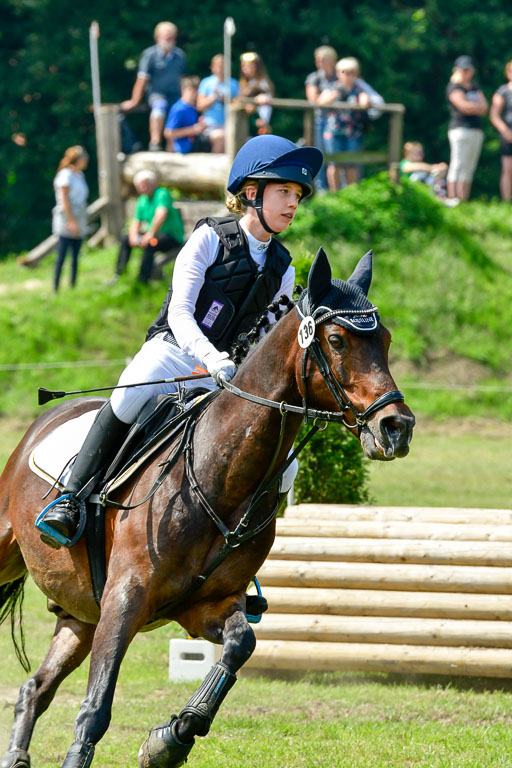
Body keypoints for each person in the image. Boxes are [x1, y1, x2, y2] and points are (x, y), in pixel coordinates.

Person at [39, 134, 323, 549]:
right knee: (127, 396)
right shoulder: (209, 237)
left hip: (225, 375)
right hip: (172, 353)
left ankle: (240, 545)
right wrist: (211, 356)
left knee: (288, 468)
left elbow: (265, 337)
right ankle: (71, 499)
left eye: (297, 195)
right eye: (284, 191)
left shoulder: (283, 268)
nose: (293, 203)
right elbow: (180, 312)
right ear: (251, 193)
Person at [120, 21, 187, 151]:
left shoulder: (180, 55)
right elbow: (142, 79)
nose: (170, 40)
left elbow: (183, 80)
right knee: (160, 106)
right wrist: (135, 101)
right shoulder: (150, 55)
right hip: (157, 95)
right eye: (167, 37)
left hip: (176, 95)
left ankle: (174, 147)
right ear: (157, 37)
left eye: (172, 37)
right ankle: (155, 142)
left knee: (182, 108)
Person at [113, 170, 184, 284]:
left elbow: (161, 215)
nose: (142, 188)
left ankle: (143, 280)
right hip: (154, 235)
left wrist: (150, 235)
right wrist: (133, 236)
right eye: (139, 185)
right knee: (125, 239)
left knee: (151, 243)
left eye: (145, 184)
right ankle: (119, 274)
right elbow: (136, 221)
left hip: (171, 237)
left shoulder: (162, 193)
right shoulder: (142, 200)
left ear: (153, 183)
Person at [317, 56, 371, 191]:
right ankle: (335, 195)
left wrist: (363, 100)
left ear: (356, 73)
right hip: (333, 131)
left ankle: (350, 194)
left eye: (352, 72)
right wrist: (333, 96)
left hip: (353, 132)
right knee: (334, 163)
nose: (348, 76)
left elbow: (365, 102)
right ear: (338, 73)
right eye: (344, 72)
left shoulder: (359, 88)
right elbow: (320, 101)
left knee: (351, 164)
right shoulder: (332, 87)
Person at [446, 55, 488, 202]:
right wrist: (475, 107)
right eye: (463, 70)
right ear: (456, 70)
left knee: (469, 166)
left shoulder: (474, 87)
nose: (466, 73)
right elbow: (463, 106)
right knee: (458, 163)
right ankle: (452, 197)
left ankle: (463, 198)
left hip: (475, 129)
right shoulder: (454, 87)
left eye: (468, 70)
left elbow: (484, 107)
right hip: (460, 129)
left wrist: (472, 107)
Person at [51, 146, 89, 292]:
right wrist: (71, 221)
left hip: (79, 215)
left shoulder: (80, 175)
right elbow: (64, 200)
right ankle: (56, 288)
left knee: (75, 255)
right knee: (61, 255)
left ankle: (72, 286)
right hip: (66, 217)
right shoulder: (65, 175)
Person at [305, 45, 339, 193]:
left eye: (322, 60)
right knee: (319, 154)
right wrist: (330, 96)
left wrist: (324, 97)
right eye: (317, 60)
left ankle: (338, 189)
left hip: (338, 123)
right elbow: (313, 100)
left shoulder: (340, 76)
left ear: (331, 61)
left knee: (337, 156)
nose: (318, 63)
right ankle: (321, 189)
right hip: (320, 121)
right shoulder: (314, 77)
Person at [197, 54, 239, 153]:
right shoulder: (206, 83)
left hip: (229, 125)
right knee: (221, 137)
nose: (221, 69)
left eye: (223, 66)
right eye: (218, 66)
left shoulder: (233, 84)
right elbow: (199, 106)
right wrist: (213, 98)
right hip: (210, 126)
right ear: (212, 68)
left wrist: (226, 100)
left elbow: (238, 104)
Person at [164, 76, 209, 153]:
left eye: (196, 90)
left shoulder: (193, 108)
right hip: (183, 148)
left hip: (192, 144)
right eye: (190, 90)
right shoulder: (178, 108)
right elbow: (168, 133)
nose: (193, 93)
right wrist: (192, 130)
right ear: (183, 90)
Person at [490, 60, 512, 201]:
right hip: (508, 133)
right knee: (508, 169)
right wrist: (505, 131)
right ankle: (507, 201)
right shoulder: (503, 91)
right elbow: (494, 114)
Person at [239, 51, 274, 135]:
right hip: (246, 123)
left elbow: (265, 104)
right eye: (244, 66)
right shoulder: (244, 84)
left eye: (250, 66)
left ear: (257, 67)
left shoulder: (263, 84)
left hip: (259, 122)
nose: (246, 69)